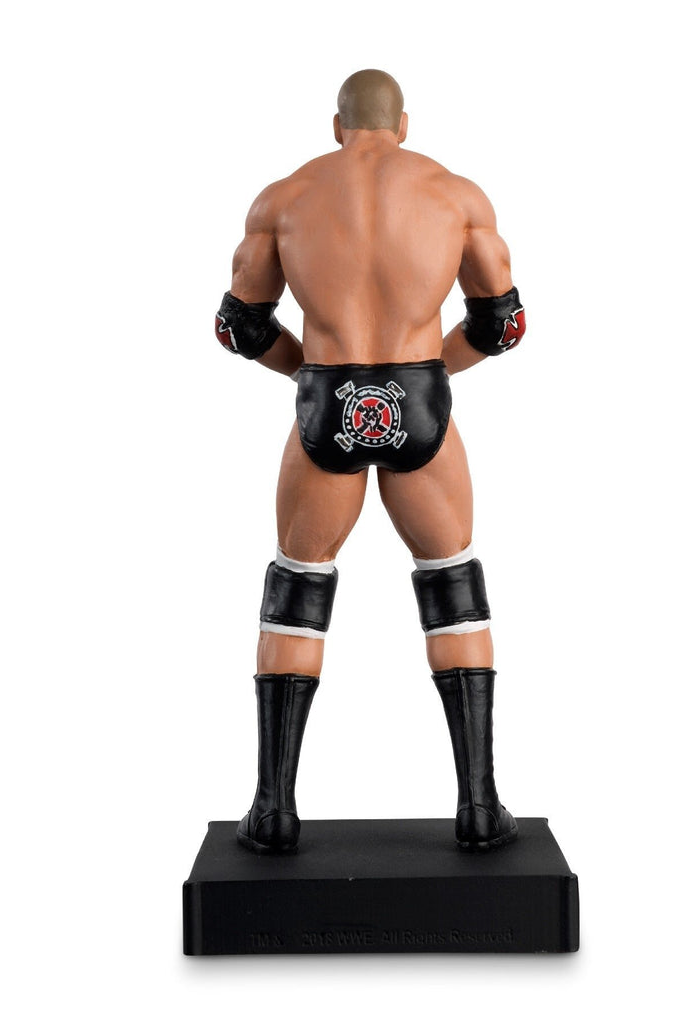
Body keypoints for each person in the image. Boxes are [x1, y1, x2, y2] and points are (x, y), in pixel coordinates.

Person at [215, 70, 528, 853]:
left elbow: (239, 327)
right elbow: (503, 324)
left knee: (297, 585)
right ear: (404, 124)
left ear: (336, 126)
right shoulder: (455, 195)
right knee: (453, 583)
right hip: (419, 402)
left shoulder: (284, 199)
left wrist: (316, 377)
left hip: (328, 401)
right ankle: (480, 807)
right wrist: (422, 377)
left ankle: (273, 811)